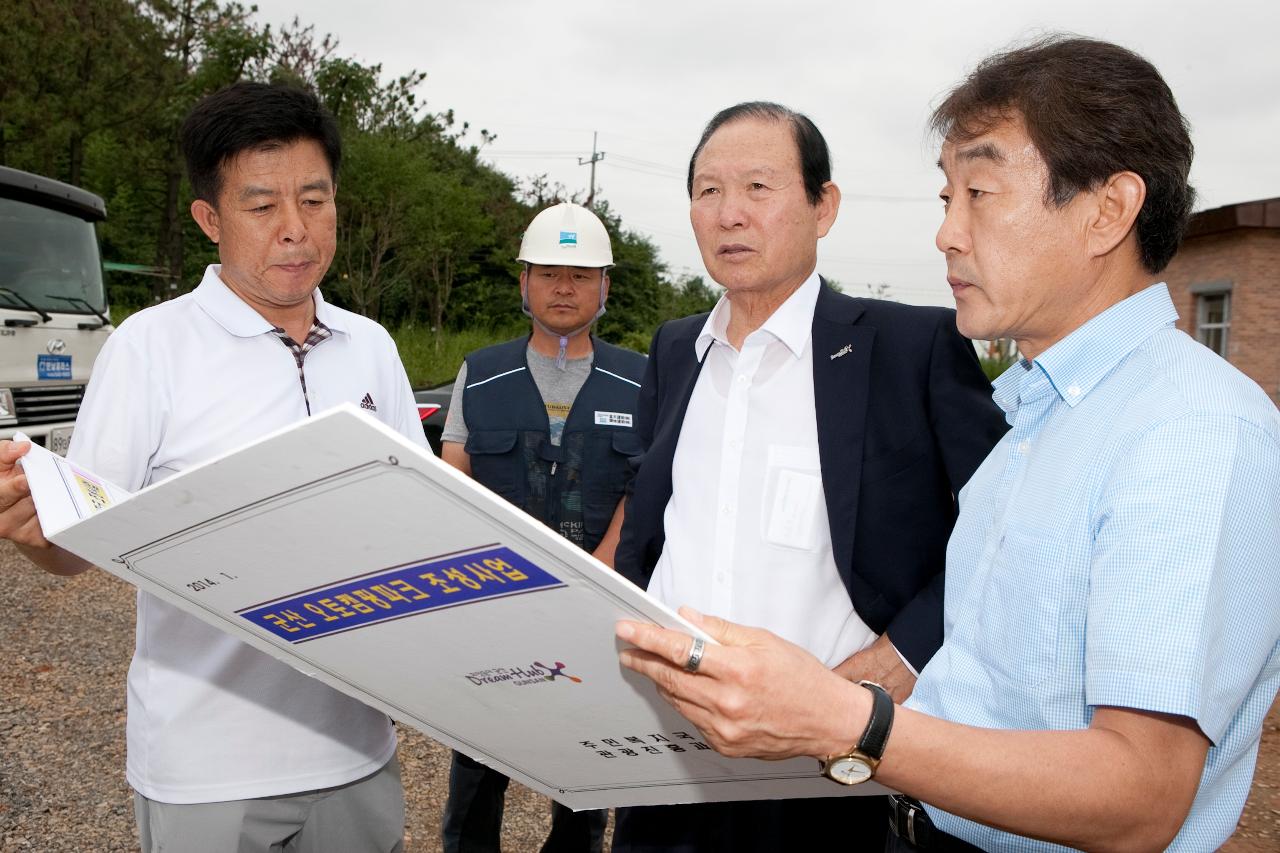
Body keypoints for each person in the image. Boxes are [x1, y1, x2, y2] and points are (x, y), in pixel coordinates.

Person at [616, 36, 1280, 853]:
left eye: (980, 193)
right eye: (944, 198)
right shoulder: (1036, 417)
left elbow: (1139, 797)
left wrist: (841, 717)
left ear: (1108, 210)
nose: (946, 235)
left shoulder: (1190, 431)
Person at [0, 82, 426, 852]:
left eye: (315, 200)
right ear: (209, 219)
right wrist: (33, 530)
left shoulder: (372, 347)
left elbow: (421, 515)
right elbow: (77, 540)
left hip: (359, 751)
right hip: (207, 768)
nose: (295, 229)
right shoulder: (150, 347)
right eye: (262, 206)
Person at [610, 102, 1007, 852]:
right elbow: (654, 522)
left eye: (759, 187)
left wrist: (903, 656)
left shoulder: (909, 348)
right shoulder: (672, 350)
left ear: (824, 206)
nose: (729, 214)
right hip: (667, 760)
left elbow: (1005, 521)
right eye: (707, 191)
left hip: (827, 768)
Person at [438, 201, 645, 853]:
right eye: (550, 272)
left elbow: (643, 486)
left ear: (605, 287)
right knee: (478, 760)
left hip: (594, 609)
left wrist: (602, 568)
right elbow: (454, 476)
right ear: (523, 281)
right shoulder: (482, 370)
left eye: (581, 275)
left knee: (583, 769)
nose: (564, 287)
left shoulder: (639, 380)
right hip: (495, 602)